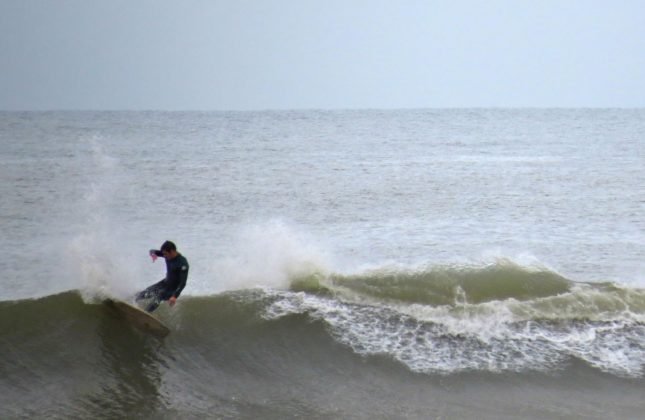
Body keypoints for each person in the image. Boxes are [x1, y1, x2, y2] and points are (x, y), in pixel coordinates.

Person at [135, 240, 189, 312]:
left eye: (166, 254)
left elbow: (183, 283)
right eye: (164, 254)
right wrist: (153, 255)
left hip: (172, 289)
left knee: (159, 296)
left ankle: (145, 313)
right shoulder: (166, 254)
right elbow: (152, 251)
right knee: (147, 292)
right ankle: (130, 301)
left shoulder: (182, 263)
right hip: (165, 282)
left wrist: (174, 296)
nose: (164, 256)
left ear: (172, 251)